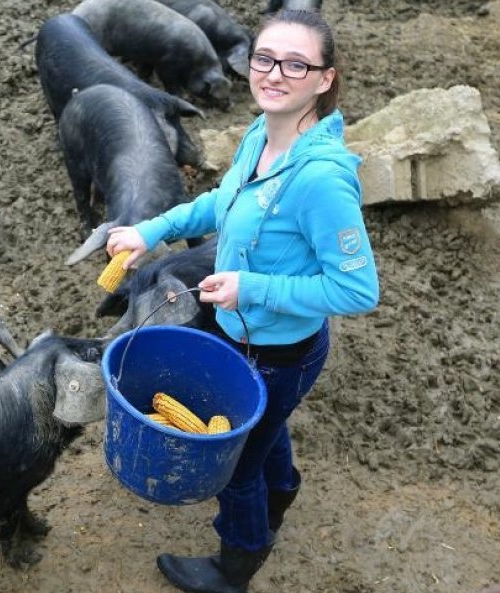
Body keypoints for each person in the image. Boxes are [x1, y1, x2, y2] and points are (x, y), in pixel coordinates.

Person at [105, 9, 379, 593]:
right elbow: (222, 202)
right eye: (264, 58)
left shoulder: (321, 180)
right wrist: (150, 231)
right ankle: (282, 493)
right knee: (264, 428)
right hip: (242, 335)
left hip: (280, 352)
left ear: (324, 79)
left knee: (236, 468)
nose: (274, 73)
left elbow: (358, 288)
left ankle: (238, 563)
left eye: (295, 64)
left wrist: (251, 287)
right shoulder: (263, 132)